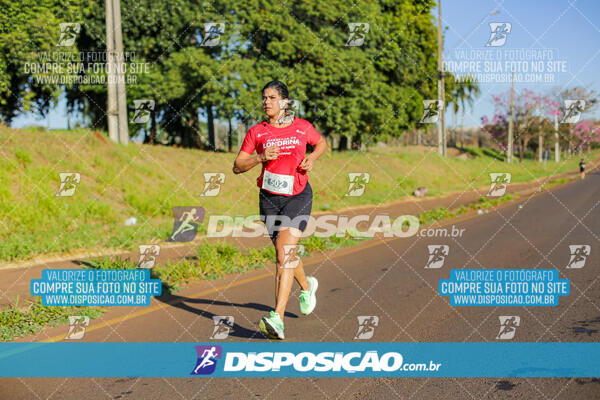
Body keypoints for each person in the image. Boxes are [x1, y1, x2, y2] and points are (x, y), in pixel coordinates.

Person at [233, 80, 327, 339]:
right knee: (283, 252)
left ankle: (278, 317)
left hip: (298, 196)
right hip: (269, 200)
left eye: (272, 97)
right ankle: (307, 287)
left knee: (284, 254)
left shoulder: (301, 127)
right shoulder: (257, 132)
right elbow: (237, 165)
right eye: (264, 98)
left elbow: (321, 144)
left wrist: (312, 158)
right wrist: (261, 158)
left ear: (285, 102)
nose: (266, 102)